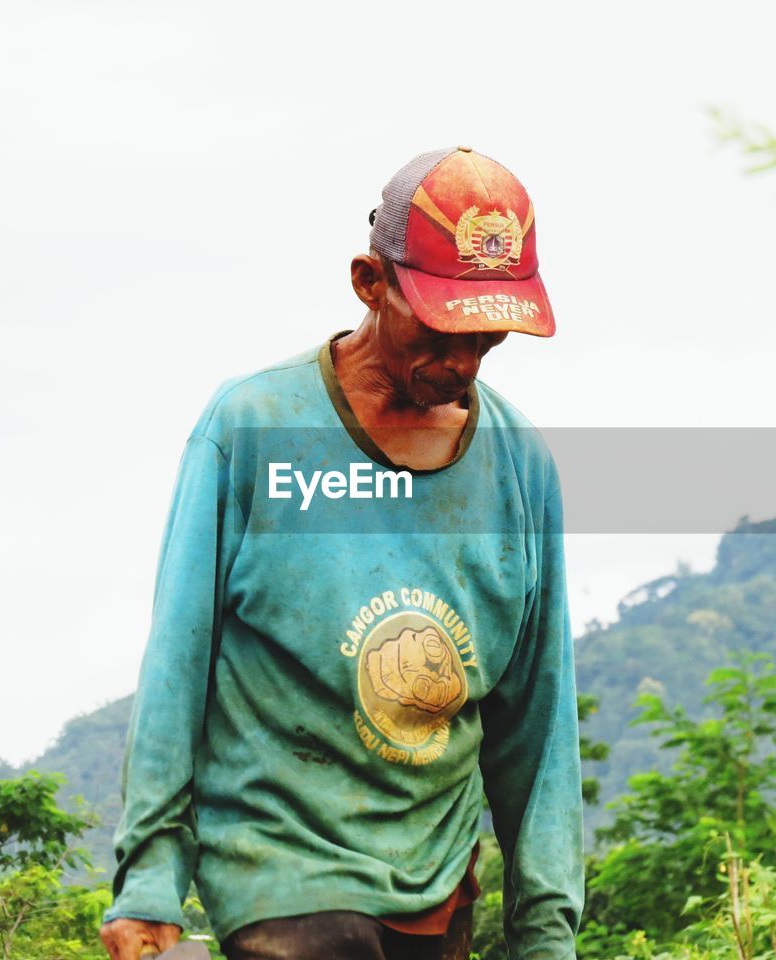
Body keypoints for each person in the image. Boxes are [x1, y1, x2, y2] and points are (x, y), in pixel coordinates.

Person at [99, 147, 583, 960]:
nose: (462, 365)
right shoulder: (253, 428)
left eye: (485, 338)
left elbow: (537, 722)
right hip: (280, 863)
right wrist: (149, 877)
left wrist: (546, 935)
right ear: (369, 282)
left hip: (435, 879)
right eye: (439, 332)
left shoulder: (519, 467)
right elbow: (179, 660)